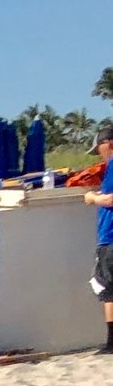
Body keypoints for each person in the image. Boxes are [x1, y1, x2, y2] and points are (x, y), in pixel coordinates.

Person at [85, 130, 113, 351]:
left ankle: (112, 341)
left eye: (99, 149)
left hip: (110, 237)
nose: (99, 155)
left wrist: (92, 198)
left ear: (108, 144)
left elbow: (111, 199)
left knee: (108, 289)